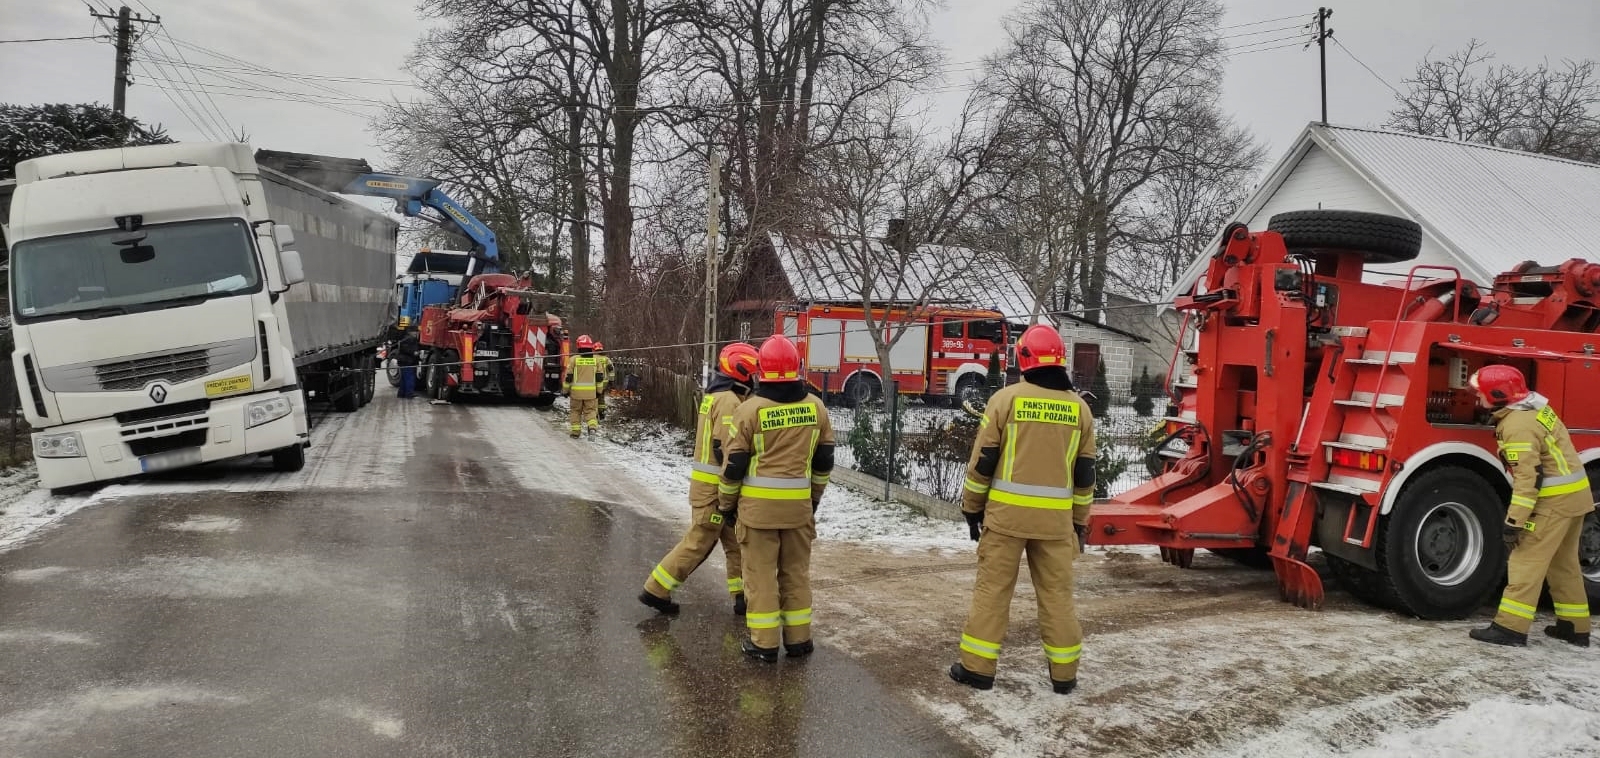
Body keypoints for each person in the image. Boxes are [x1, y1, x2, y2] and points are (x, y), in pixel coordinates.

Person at [950, 324, 1097, 694]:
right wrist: (1079, 523)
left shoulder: (1006, 401)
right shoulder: (1080, 409)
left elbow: (983, 462)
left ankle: (977, 669)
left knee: (993, 593)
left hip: (1005, 521)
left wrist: (972, 509)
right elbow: (1085, 476)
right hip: (1056, 525)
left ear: (1024, 359)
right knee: (1057, 598)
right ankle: (1064, 676)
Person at [718, 334, 834, 662]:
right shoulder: (816, 407)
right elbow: (824, 461)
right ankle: (799, 640)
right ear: (797, 368)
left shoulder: (749, 410)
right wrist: (813, 500)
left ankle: (764, 644)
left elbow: (733, 467)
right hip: (798, 511)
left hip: (757, 515)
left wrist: (726, 506)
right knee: (795, 574)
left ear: (761, 371)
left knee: (761, 577)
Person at [1467, 365, 1591, 648]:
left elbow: (1528, 480)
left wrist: (1514, 522)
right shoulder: (1535, 407)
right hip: (1574, 498)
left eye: (1481, 392)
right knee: (1564, 564)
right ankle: (1574, 627)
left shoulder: (1516, 426)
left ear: (1498, 395)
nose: (1476, 396)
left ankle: (1510, 628)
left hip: (1552, 503)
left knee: (1525, 562)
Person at [639, 342, 761, 616]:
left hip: (712, 487)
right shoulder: (729, 401)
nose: (755, 379)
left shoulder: (717, 395)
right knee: (699, 543)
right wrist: (736, 481)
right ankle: (656, 589)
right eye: (753, 373)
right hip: (715, 491)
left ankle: (743, 596)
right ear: (742, 371)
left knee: (736, 542)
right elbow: (726, 448)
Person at [563, 335, 604, 438]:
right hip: (591, 394)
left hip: (576, 394)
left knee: (575, 411)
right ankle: (592, 428)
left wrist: (565, 391)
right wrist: (599, 391)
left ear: (578, 346)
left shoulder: (573, 360)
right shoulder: (596, 360)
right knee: (590, 411)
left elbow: (568, 378)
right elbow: (599, 378)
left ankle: (575, 433)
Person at [395, 331, 421, 399]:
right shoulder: (410, 339)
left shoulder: (405, 338)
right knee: (409, 378)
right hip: (407, 361)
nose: (416, 333)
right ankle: (409, 394)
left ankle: (401, 394)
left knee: (404, 378)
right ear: (411, 332)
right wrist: (414, 352)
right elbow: (406, 348)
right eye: (415, 332)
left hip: (403, 361)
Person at [595, 341, 615, 420]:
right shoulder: (606, 359)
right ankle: (602, 413)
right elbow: (611, 370)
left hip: (594, 382)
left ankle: (594, 414)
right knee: (601, 397)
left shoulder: (592, 358)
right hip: (604, 382)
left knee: (594, 398)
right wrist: (611, 380)